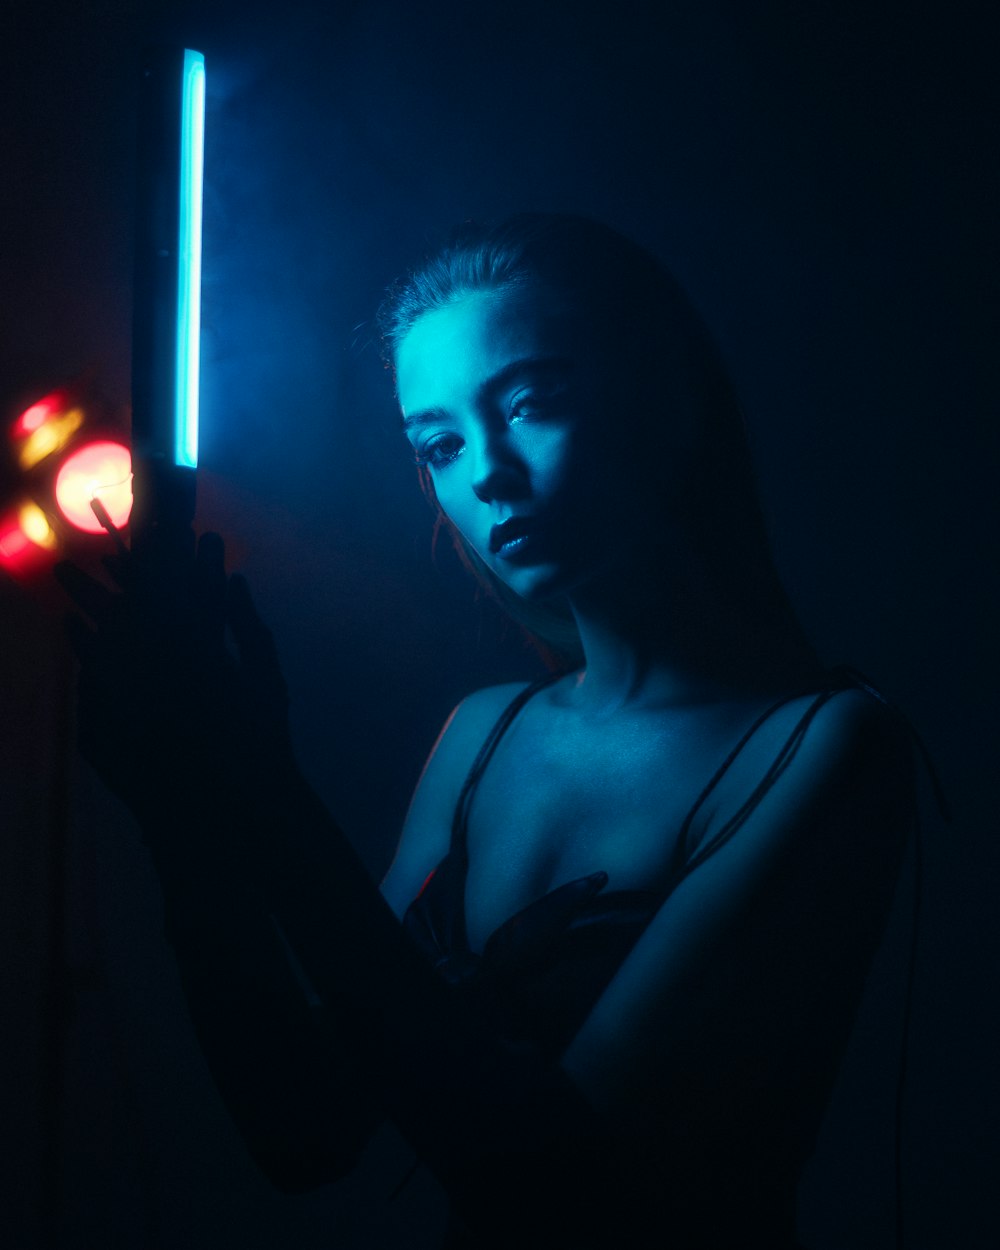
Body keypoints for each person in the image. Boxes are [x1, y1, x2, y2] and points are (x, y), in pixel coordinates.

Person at [58, 213, 915, 1248]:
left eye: (533, 400)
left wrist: (259, 782)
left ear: (663, 399)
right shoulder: (481, 738)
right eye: (440, 442)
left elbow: (542, 1177)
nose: (489, 471)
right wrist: (178, 810)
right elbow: (303, 1129)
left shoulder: (826, 744)